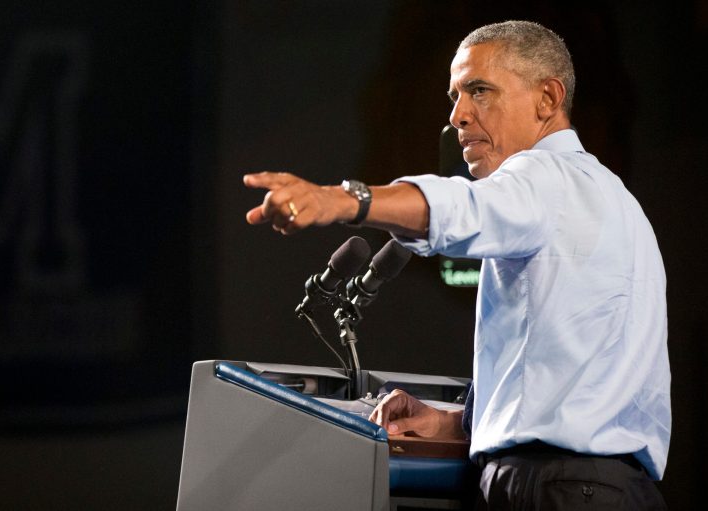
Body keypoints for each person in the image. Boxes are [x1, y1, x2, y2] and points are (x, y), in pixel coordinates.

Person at [244, 20, 670, 510]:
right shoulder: (612, 198)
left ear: (548, 99)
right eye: (455, 97)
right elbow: (572, 386)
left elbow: (461, 208)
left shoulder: (545, 178)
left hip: (561, 492)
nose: (458, 116)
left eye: (480, 91)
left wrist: (344, 201)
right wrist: (455, 422)